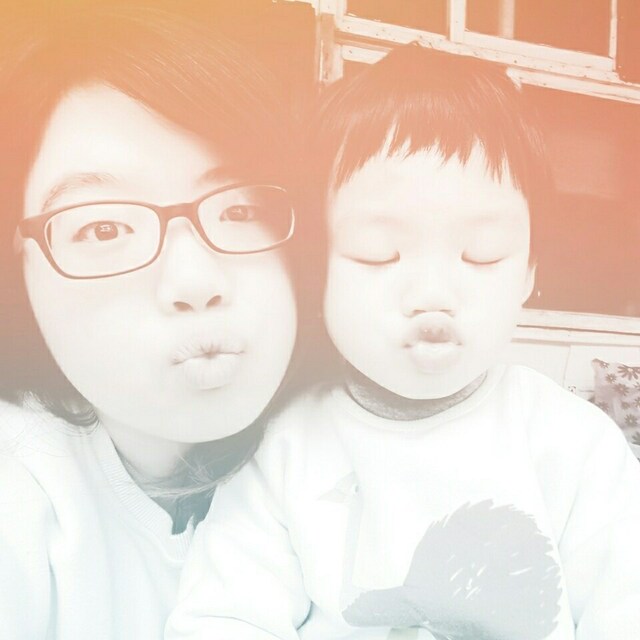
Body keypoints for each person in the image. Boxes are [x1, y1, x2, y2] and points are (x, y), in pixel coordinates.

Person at [167, 45, 640, 639]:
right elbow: (225, 616)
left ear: (528, 273)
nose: (431, 293)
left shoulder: (574, 445)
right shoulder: (284, 447)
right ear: (318, 270)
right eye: (378, 254)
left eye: (482, 254)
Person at [0, 5, 298, 639]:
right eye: (104, 228)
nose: (195, 281)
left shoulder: (361, 457)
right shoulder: (19, 494)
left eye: (239, 210)